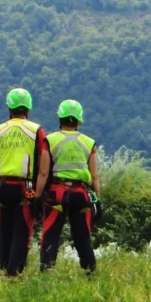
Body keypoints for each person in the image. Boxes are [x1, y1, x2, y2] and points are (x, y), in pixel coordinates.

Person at [0, 87, 50, 276]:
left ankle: (4, 269)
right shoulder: (36, 131)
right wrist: (39, 194)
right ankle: (14, 274)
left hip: (2, 188)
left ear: (9, 108)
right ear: (28, 108)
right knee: (22, 232)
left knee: (5, 230)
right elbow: (44, 167)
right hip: (25, 189)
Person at [40, 100, 101, 273]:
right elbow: (94, 176)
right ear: (79, 120)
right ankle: (90, 272)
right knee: (83, 237)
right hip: (81, 195)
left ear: (60, 118)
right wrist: (97, 200)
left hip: (57, 194)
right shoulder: (89, 143)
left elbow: (43, 173)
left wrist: (37, 196)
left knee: (50, 235)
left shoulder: (50, 140)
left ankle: (46, 271)